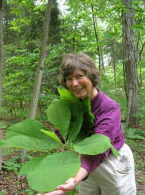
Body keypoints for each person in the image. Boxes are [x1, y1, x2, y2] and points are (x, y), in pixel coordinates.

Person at [37, 53, 136, 195]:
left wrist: (74, 180)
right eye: (69, 79)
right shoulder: (73, 104)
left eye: (79, 76)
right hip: (85, 162)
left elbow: (99, 149)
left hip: (112, 162)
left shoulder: (109, 108)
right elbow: (63, 133)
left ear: (91, 76)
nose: (74, 83)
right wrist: (51, 180)